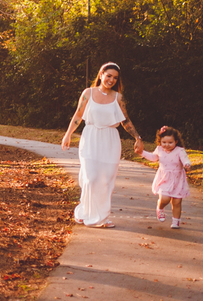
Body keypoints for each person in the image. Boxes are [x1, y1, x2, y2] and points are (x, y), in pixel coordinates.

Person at [61, 62, 144, 228]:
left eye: (115, 78)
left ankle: (101, 218)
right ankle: (86, 212)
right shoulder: (88, 93)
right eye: (108, 76)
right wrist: (68, 134)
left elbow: (125, 121)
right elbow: (78, 114)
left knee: (106, 180)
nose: (111, 80)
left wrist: (137, 137)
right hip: (90, 137)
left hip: (110, 140)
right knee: (90, 178)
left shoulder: (118, 98)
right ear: (101, 75)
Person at [139, 125, 193, 229]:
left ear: (176, 142)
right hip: (164, 178)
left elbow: (185, 159)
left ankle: (176, 221)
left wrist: (187, 164)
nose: (167, 145)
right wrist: (142, 152)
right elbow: (153, 157)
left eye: (170, 143)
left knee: (177, 201)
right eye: (164, 142)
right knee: (165, 198)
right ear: (160, 142)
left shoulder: (179, 150)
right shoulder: (159, 149)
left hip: (178, 180)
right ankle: (160, 208)